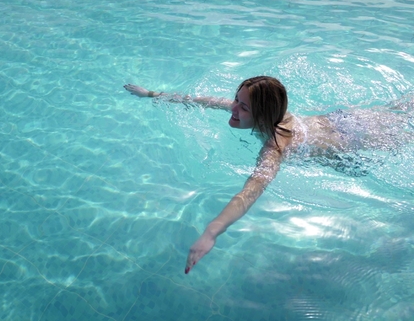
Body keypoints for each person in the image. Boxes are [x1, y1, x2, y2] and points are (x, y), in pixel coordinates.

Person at [123, 76, 413, 274]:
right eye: (236, 100)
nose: (232, 108)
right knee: (399, 109)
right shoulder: (263, 113)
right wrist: (152, 95)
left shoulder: (276, 144)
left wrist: (212, 231)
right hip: (344, 119)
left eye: (242, 106)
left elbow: (252, 189)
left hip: (362, 138)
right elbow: (205, 101)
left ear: (262, 114)